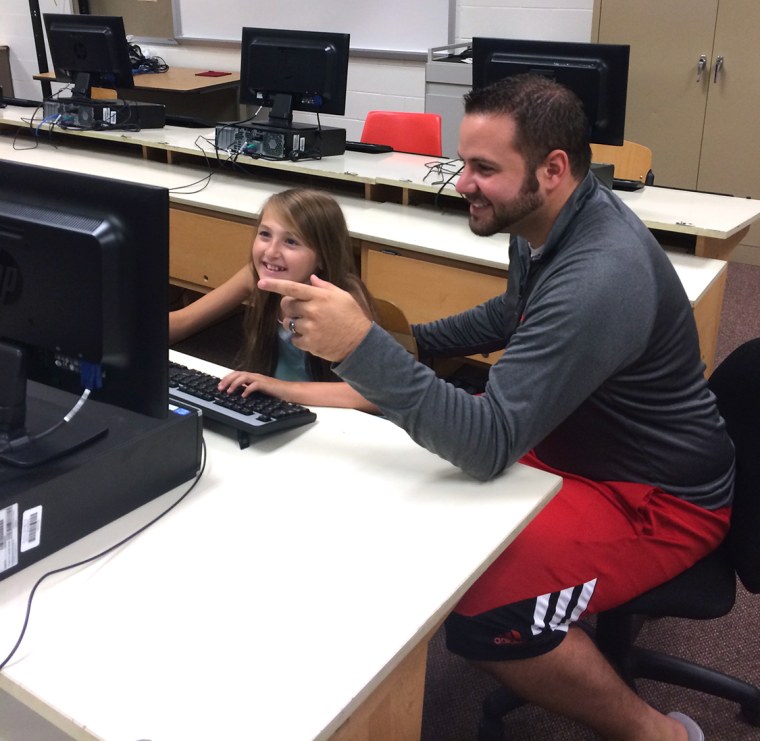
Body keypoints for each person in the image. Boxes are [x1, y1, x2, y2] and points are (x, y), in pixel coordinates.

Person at [258, 74, 734, 741]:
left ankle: (663, 733)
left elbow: (488, 444)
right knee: (409, 500)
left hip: (655, 495)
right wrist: (413, 343)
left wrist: (364, 347)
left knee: (481, 613)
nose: (461, 182)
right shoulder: (544, 220)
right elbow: (513, 312)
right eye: (464, 161)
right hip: (574, 440)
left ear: (553, 168)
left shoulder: (602, 272)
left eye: (484, 168)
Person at [169, 187, 379, 413]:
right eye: (265, 234)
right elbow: (184, 321)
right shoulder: (257, 276)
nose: (271, 251)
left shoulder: (344, 299)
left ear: (322, 256)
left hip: (335, 419)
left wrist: (281, 388)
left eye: (291, 241)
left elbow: (374, 394)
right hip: (278, 408)